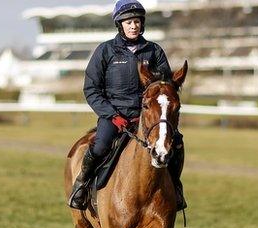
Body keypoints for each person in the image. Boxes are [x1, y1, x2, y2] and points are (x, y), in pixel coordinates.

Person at [68, 0, 187, 211]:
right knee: (101, 144)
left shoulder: (154, 51)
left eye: (137, 21)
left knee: (176, 142)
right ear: (120, 25)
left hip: (148, 117)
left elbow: (165, 87)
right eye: (129, 22)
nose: (134, 26)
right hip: (114, 116)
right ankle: (82, 186)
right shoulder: (105, 51)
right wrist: (112, 115)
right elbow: (91, 90)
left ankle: (176, 188)